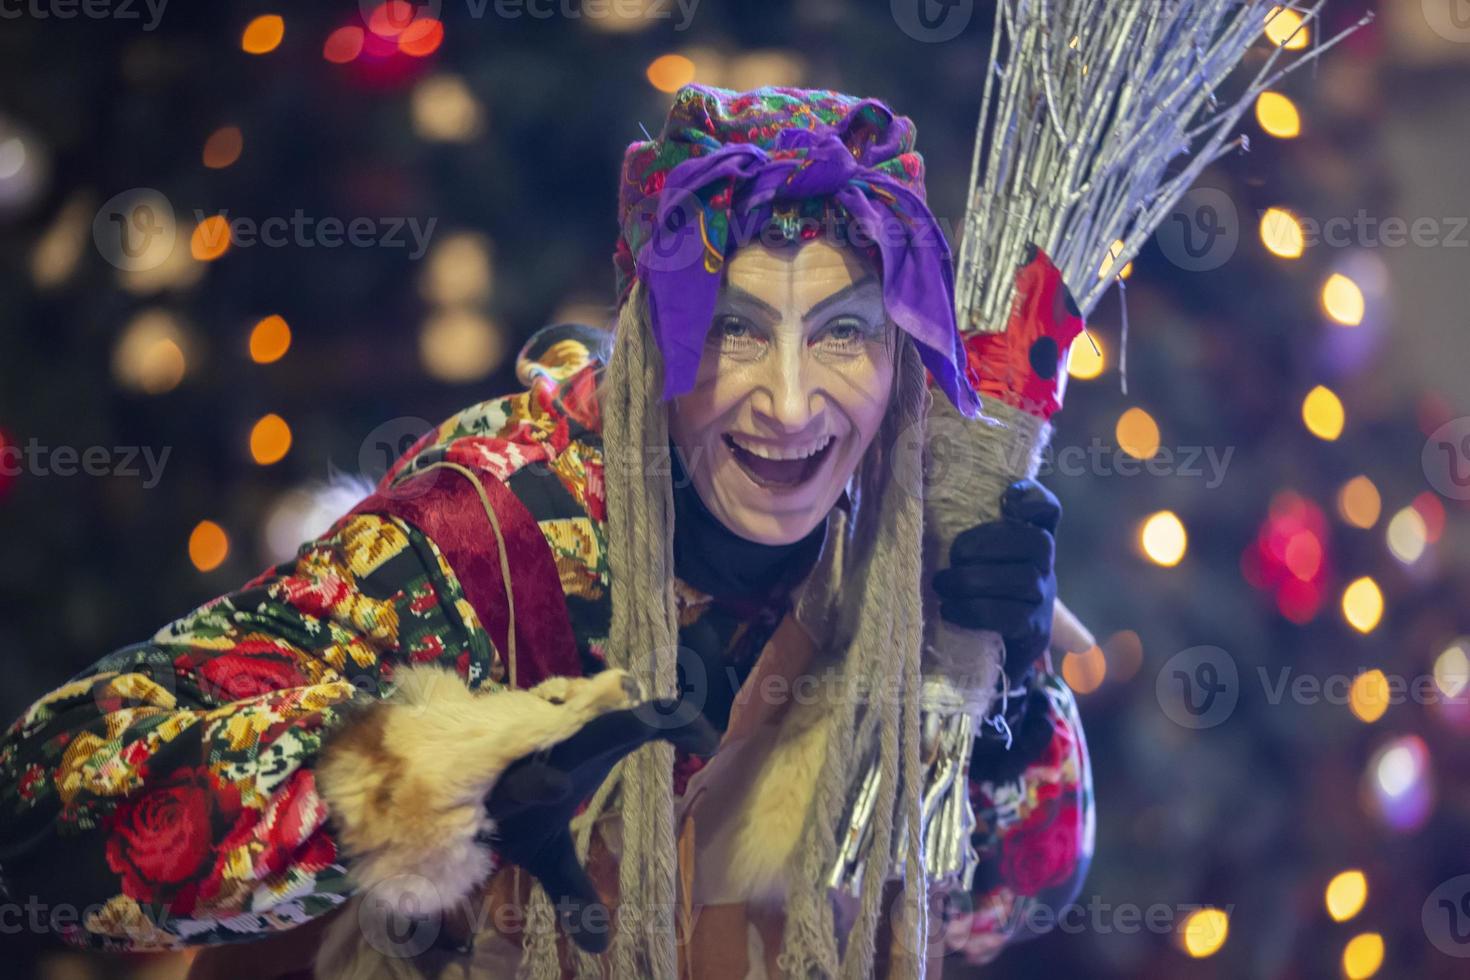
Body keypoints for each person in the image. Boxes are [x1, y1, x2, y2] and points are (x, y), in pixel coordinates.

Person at [0, 84, 1092, 979]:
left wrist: (1005, 695)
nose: (794, 403)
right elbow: (43, 811)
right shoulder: (481, 536)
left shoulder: (894, 543)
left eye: (845, 331)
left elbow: (1004, 905)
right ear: (651, 350)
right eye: (733, 331)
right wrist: (443, 771)